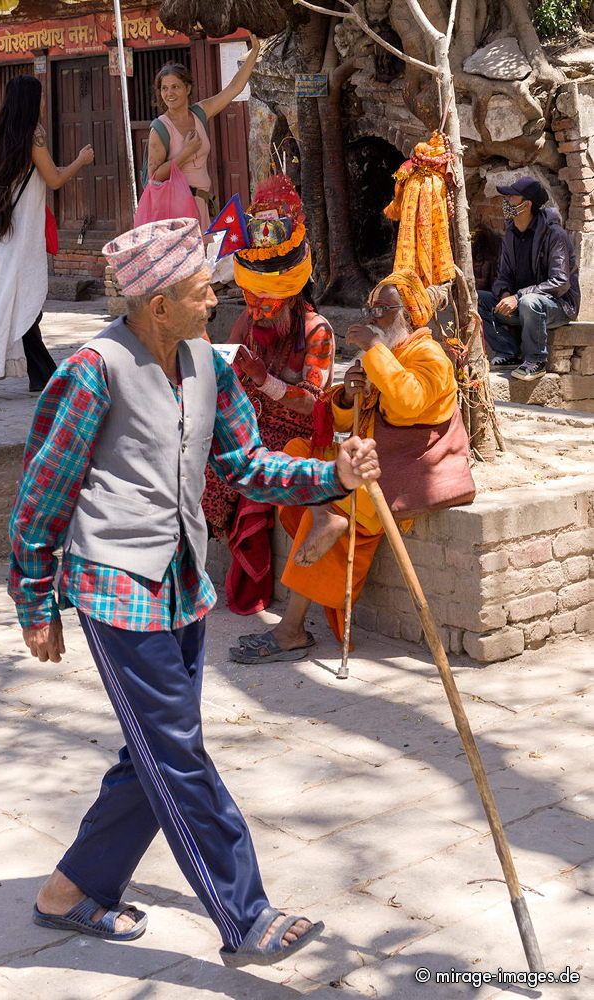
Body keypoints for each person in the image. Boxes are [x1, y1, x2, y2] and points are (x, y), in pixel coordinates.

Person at [7, 217, 380, 966]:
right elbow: (43, 495)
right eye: (199, 290)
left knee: (155, 748)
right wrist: (36, 600)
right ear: (155, 306)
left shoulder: (207, 366)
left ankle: (70, 891)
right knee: (175, 752)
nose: (214, 300)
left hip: (179, 581)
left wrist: (332, 476)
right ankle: (245, 916)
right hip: (115, 585)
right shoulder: (90, 370)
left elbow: (248, 465)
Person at [231, 269, 457, 664]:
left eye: (384, 310)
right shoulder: (386, 353)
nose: (373, 317)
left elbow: (407, 404)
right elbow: (339, 422)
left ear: (411, 313)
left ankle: (291, 630)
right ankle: (322, 514)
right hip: (366, 457)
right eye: (371, 308)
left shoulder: (429, 356)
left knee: (340, 507)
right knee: (297, 450)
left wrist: (373, 351)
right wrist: (348, 397)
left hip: (401, 472)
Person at [201, 174, 335, 615]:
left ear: (292, 295)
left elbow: (311, 402)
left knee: (252, 475)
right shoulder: (246, 323)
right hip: (247, 420)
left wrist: (263, 380)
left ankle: (250, 588)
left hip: (292, 429)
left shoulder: (318, 332)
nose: (256, 311)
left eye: (267, 304)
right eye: (250, 300)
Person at [0, 75, 94, 400]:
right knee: (13, 300)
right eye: (41, 97)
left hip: (8, 232)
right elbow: (55, 179)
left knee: (20, 299)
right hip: (24, 232)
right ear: (31, 102)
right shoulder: (34, 136)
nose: (44, 102)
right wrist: (81, 161)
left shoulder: (3, 136)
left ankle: (41, 374)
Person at [145, 37, 260, 231]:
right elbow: (154, 176)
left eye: (175, 87)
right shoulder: (160, 128)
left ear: (187, 88)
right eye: (164, 88)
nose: (169, 93)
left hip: (202, 204)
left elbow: (233, 89)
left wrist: (255, 50)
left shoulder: (200, 112)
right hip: (176, 210)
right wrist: (187, 152)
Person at [479, 176, 580, 382]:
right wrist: (505, 293)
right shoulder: (510, 235)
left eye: (512, 197)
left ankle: (535, 360)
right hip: (523, 303)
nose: (506, 201)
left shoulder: (555, 235)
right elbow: (502, 275)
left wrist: (517, 297)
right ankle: (508, 353)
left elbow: (560, 282)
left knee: (529, 301)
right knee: (478, 298)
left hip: (558, 306)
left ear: (527, 204)